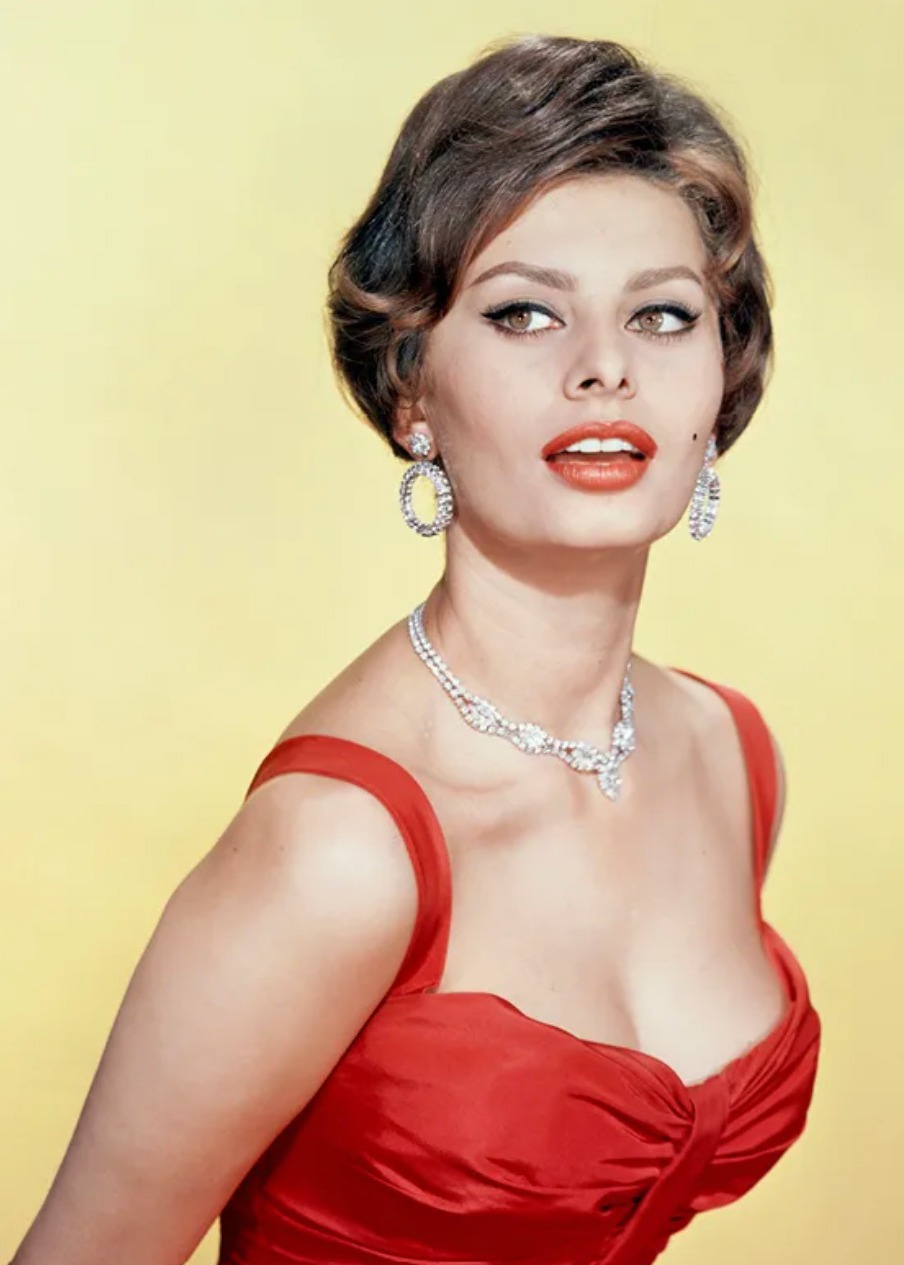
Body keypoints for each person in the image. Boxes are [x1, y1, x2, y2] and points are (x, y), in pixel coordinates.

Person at [11, 32, 821, 1265]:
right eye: (521, 312)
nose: (602, 367)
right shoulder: (338, 849)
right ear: (413, 388)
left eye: (662, 314)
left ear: (723, 376)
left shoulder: (731, 754)